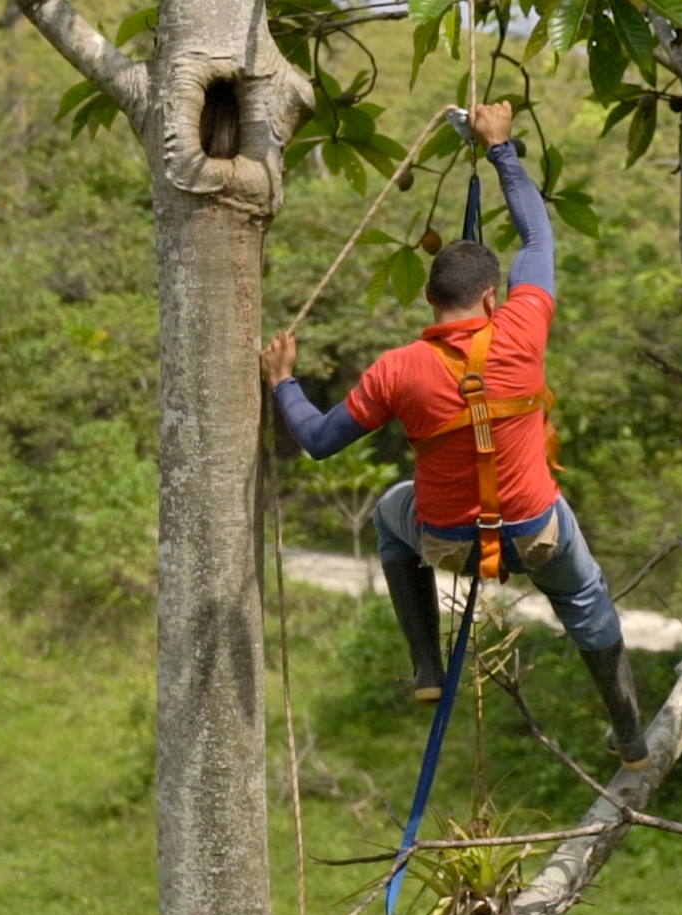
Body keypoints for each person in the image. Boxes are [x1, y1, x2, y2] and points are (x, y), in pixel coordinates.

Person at [260, 102, 649, 770]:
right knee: (586, 600)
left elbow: (319, 441)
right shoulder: (522, 328)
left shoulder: (397, 370)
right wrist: (500, 150)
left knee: (390, 513)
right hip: (535, 534)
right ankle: (631, 736)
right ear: (494, 298)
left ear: (431, 302)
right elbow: (537, 242)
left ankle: (426, 666)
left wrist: (283, 382)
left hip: (445, 542)